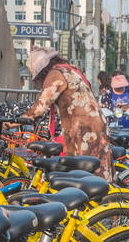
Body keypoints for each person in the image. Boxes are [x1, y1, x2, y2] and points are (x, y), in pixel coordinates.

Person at [21, 46, 111, 178]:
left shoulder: (56, 74)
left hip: (85, 128)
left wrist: (19, 119)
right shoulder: (68, 70)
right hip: (93, 124)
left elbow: (41, 105)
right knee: (94, 171)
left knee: (85, 174)